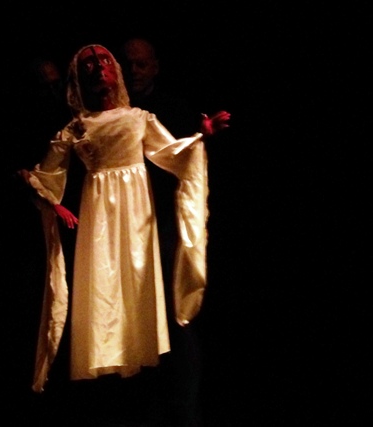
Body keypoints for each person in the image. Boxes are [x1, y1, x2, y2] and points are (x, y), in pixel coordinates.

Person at [22, 43, 230, 425]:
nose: (98, 66)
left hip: (137, 218)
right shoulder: (78, 126)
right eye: (89, 63)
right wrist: (43, 192)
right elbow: (48, 172)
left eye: (104, 59)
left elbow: (170, 153)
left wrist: (200, 136)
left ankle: (151, 392)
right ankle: (114, 394)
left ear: (114, 69)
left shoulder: (138, 118)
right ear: (79, 77)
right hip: (100, 217)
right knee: (105, 290)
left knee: (138, 287)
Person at [119, 36, 225, 426]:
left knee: (176, 316)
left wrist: (203, 136)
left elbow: (182, 156)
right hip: (121, 228)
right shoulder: (111, 112)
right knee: (133, 317)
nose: (134, 71)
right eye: (128, 64)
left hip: (161, 224)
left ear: (155, 67)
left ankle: (183, 408)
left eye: (141, 64)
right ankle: (143, 406)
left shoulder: (171, 109)